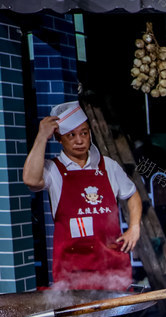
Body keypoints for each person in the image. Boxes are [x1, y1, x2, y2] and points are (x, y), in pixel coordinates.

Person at [22, 100, 141, 290]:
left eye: (84, 133)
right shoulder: (53, 170)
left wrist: (134, 227)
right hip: (73, 270)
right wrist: (41, 136)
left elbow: (132, 194)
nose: (79, 140)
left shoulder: (108, 166)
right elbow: (30, 180)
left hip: (112, 264)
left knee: (119, 307)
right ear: (59, 139)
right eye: (71, 135)